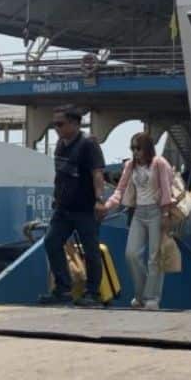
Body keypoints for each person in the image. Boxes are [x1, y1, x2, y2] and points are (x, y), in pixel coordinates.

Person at [38, 106, 109, 308]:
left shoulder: (88, 145)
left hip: (85, 209)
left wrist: (100, 200)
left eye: (60, 124)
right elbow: (61, 175)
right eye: (54, 124)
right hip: (63, 209)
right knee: (52, 241)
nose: (56, 128)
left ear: (74, 124)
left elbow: (97, 174)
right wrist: (56, 196)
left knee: (91, 250)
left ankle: (93, 293)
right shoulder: (60, 145)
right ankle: (63, 289)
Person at [105, 132, 175, 310]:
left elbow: (167, 189)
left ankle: (152, 298)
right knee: (132, 254)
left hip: (156, 211)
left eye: (139, 148)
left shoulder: (159, 163)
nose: (135, 152)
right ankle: (142, 293)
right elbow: (120, 189)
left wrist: (166, 214)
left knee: (154, 257)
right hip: (138, 212)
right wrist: (108, 205)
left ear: (147, 148)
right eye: (133, 148)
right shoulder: (130, 166)